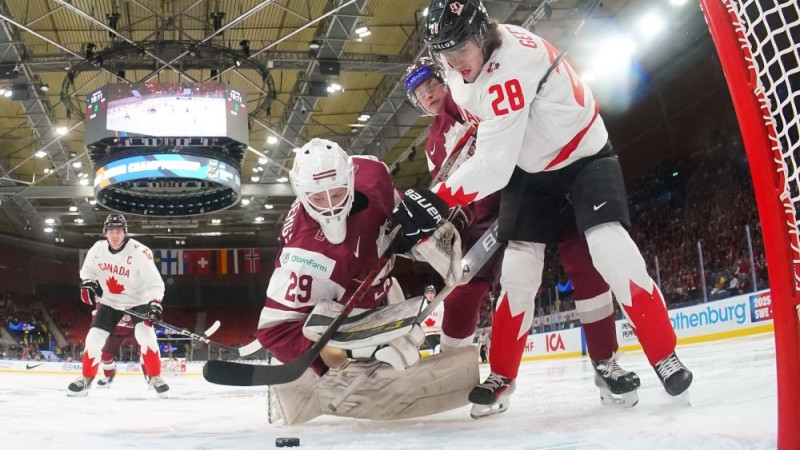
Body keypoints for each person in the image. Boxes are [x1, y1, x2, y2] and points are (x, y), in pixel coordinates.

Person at [413, 0, 692, 412]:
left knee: (608, 248)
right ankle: (503, 373)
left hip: (583, 158)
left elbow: (492, 165)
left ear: (482, 36)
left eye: (460, 49)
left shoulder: (511, 64)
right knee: (518, 272)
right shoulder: (461, 69)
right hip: (531, 170)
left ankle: (661, 353)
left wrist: (435, 199)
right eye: (445, 53)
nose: (454, 61)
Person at [404, 57, 641, 416]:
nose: (428, 96)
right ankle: (458, 378)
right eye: (419, 94)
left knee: (585, 265)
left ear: (445, 79)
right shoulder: (433, 143)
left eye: (431, 85)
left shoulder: (475, 95)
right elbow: (451, 189)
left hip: (529, 190)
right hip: (484, 218)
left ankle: (606, 363)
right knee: (464, 291)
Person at [255, 138, 475, 424]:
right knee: (393, 347)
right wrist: (345, 352)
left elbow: (395, 225)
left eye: (337, 192)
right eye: (319, 198)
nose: (331, 206)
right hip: (336, 307)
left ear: (351, 176)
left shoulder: (372, 173)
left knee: (402, 346)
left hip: (377, 287)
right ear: (301, 193)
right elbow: (274, 330)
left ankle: (373, 351)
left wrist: (426, 230)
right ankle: (328, 372)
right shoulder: (303, 257)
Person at [69, 214, 169, 397]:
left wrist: (154, 303)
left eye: (119, 231)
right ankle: (86, 378)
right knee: (93, 339)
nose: (114, 235)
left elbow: (155, 283)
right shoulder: (97, 249)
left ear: (125, 232)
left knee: (145, 335)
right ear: (105, 232)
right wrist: (88, 283)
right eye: (111, 231)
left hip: (138, 301)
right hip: (110, 302)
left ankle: (155, 377)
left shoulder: (140, 251)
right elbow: (87, 271)